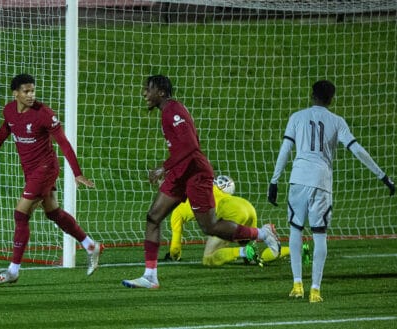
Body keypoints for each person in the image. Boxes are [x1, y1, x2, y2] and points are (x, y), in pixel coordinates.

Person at [122, 75, 281, 289]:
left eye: (147, 89)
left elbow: (191, 146)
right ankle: (150, 276)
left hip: (195, 172)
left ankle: (262, 233)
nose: (144, 94)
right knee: (153, 217)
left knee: (210, 226)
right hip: (180, 172)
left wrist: (163, 167)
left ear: (161, 92)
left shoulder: (173, 110)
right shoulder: (168, 111)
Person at [268, 80, 395, 302]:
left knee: (295, 230)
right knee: (319, 234)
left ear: (312, 95)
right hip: (321, 182)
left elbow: (285, 149)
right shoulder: (337, 121)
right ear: (331, 98)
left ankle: (297, 285)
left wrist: (274, 181)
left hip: (297, 180)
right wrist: (383, 176)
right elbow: (357, 150)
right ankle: (315, 290)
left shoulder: (296, 117)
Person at [0, 73, 103, 284]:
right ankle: (90, 245)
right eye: (26, 91)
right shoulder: (9, 110)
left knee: (21, 214)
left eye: (33, 90)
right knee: (53, 212)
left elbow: (63, 143)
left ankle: (13, 270)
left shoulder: (44, 114)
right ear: (15, 93)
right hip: (30, 169)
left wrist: (77, 173)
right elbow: (6, 128)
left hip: (45, 169)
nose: (31, 95)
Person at [164, 175, 291, 266]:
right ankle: (295, 249)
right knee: (253, 259)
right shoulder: (221, 194)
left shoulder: (178, 208)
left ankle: (247, 248)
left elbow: (175, 249)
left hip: (231, 211)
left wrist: (173, 256)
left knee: (208, 259)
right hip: (247, 206)